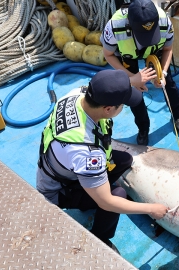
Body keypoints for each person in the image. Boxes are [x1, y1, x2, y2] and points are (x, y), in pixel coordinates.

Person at [36, 69, 169, 253]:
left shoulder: (77, 94)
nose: (123, 107)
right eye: (123, 104)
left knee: (125, 160)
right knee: (117, 195)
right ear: (108, 109)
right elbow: (107, 202)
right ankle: (100, 238)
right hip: (60, 190)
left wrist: (132, 81)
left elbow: (104, 86)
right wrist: (151, 208)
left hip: (69, 168)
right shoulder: (86, 153)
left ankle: (92, 191)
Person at [101, 0, 179, 146]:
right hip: (128, 55)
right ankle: (143, 129)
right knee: (134, 92)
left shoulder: (165, 21)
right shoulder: (114, 26)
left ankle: (178, 116)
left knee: (168, 84)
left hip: (155, 51)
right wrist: (132, 78)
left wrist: (163, 73)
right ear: (129, 24)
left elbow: (167, 49)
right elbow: (108, 54)